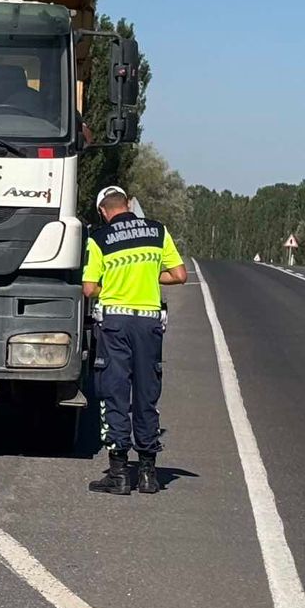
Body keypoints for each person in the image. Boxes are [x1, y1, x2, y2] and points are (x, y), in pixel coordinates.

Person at [83, 183, 187, 495]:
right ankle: (147, 474)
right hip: (149, 323)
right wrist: (148, 276)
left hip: (116, 323)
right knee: (146, 393)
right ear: (128, 204)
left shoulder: (99, 238)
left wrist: (113, 286)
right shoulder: (157, 231)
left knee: (115, 391)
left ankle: (118, 473)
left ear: (103, 211)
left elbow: (89, 288)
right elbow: (179, 275)